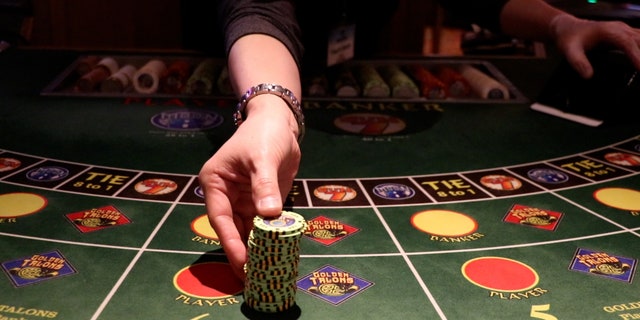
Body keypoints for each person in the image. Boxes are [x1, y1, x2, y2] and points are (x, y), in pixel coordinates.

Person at [199, 0, 640, 279]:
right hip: (243, 74)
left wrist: (560, 23)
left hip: (355, 78)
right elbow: (257, 10)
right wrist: (271, 108)